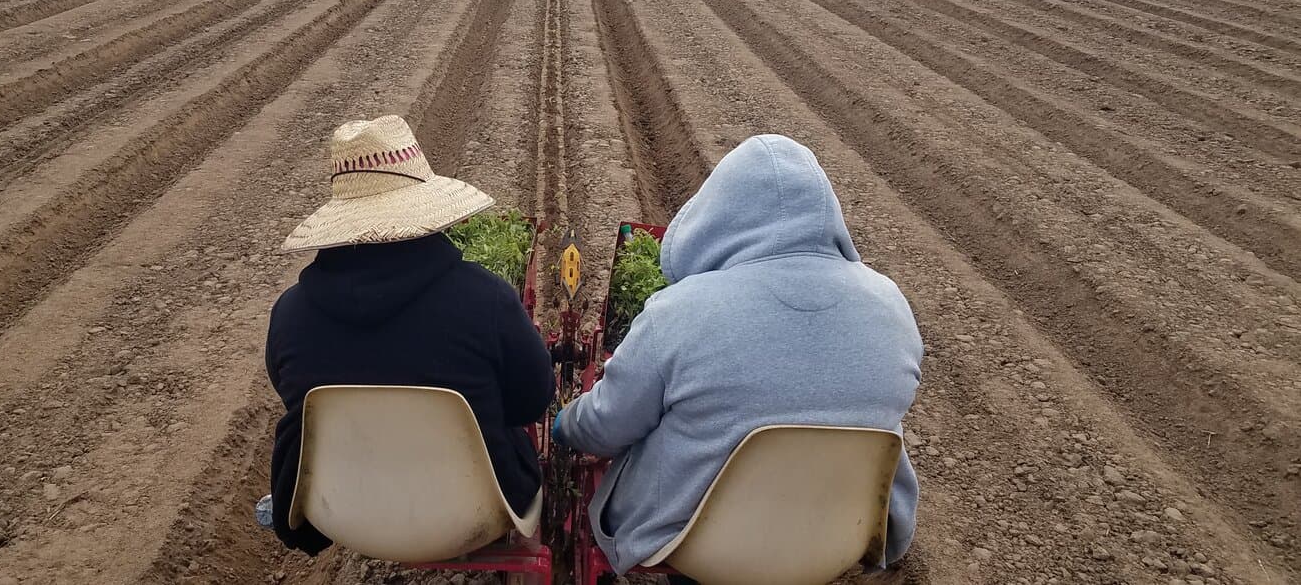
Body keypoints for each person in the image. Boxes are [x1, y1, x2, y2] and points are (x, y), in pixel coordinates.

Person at [552, 135, 924, 578]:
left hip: (697, 545)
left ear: (720, 215)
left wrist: (566, 426)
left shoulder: (680, 311)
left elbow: (609, 427)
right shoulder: (892, 307)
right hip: (842, 535)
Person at [265, 115, 554, 553]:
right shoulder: (485, 298)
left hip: (343, 512)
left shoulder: (289, 316)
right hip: (480, 508)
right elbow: (533, 398)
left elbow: (290, 397)